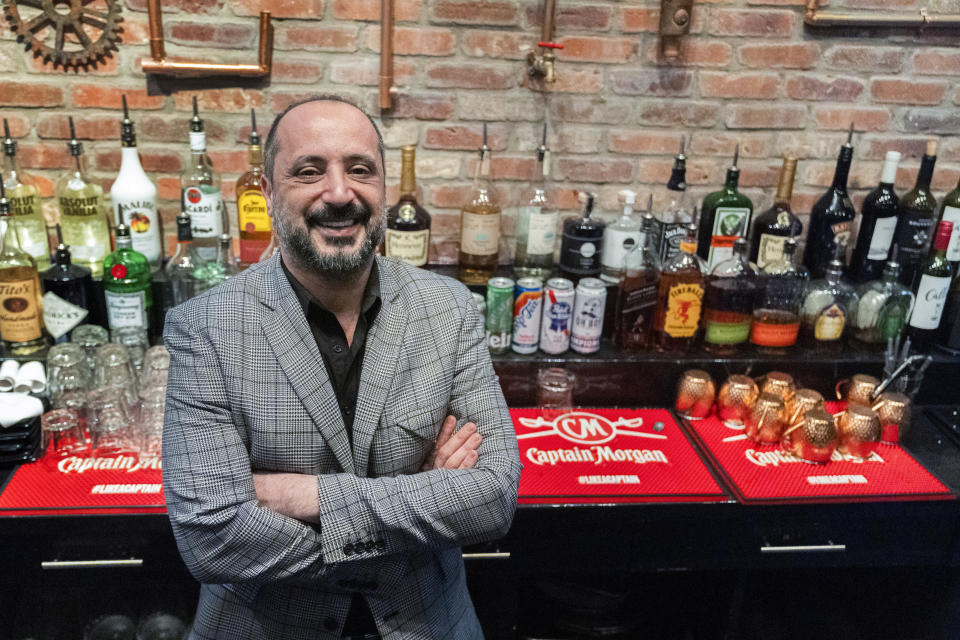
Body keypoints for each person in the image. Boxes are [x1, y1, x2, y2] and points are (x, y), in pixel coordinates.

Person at [161, 95, 522, 639]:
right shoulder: (205, 326)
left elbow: (494, 496)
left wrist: (303, 495)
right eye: (309, 171)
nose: (338, 193)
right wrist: (422, 505)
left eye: (360, 170)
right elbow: (210, 536)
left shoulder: (447, 309)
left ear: (381, 185)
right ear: (266, 191)